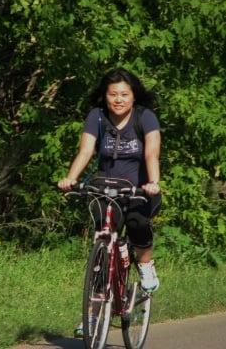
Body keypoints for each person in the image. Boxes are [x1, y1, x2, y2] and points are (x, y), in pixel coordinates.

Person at [58, 67, 162, 290]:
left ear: (133, 95)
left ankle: (145, 265)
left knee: (137, 223)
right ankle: (93, 315)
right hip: (105, 190)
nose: (118, 100)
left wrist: (153, 183)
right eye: (113, 94)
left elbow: (151, 153)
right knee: (103, 242)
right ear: (105, 96)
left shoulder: (145, 117)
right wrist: (70, 178)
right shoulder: (97, 116)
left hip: (138, 190)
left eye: (124, 94)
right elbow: (85, 151)